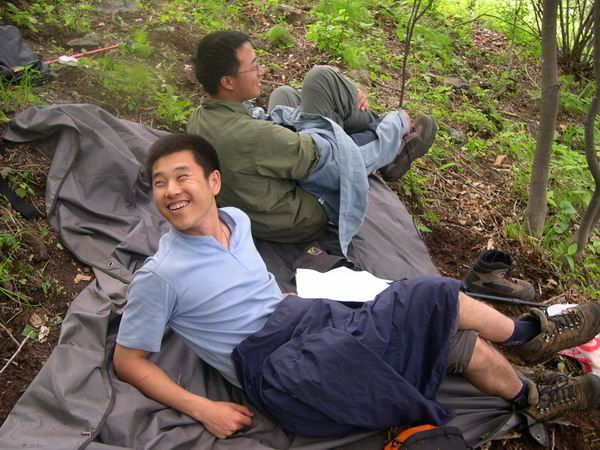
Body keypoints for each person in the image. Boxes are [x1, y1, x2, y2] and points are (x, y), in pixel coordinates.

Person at [114, 134, 600, 440]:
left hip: (306, 324)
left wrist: (282, 302)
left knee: (461, 342)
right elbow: (128, 360)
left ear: (214, 182)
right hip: (282, 373)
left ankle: (528, 394)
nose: (171, 191)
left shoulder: (236, 220)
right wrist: (204, 409)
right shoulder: (162, 275)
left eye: (182, 177)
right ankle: (527, 335)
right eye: (160, 183)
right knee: (428, 295)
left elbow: (241, 286)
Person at [187, 30, 436, 247]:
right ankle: (394, 144)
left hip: (266, 200)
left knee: (284, 93)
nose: (262, 70)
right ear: (227, 81)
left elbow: (259, 128)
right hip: (304, 214)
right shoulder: (256, 137)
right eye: (253, 67)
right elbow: (341, 164)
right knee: (321, 78)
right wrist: (395, 124)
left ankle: (361, 115)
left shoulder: (200, 117)